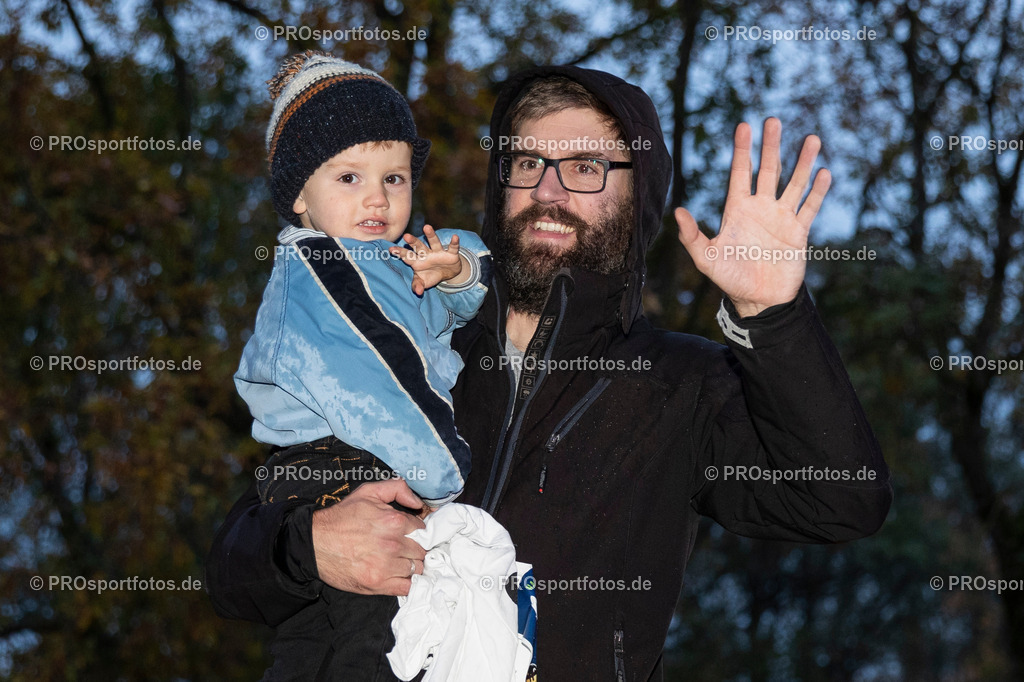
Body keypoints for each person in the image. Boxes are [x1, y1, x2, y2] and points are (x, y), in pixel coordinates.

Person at [207, 64, 893, 681]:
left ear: (638, 197)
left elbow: (841, 501)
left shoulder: (680, 384)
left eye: (586, 167)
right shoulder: (405, 336)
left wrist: (771, 314)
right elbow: (230, 569)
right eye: (528, 162)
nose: (549, 188)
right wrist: (308, 546)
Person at [232, 50, 494, 679]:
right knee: (373, 635)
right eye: (349, 177)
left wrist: (455, 270)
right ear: (299, 194)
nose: (377, 196)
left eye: (394, 178)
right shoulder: (321, 274)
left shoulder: (382, 262)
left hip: (362, 465)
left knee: (336, 640)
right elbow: (379, 389)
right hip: (333, 470)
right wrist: (444, 477)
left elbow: (463, 289)